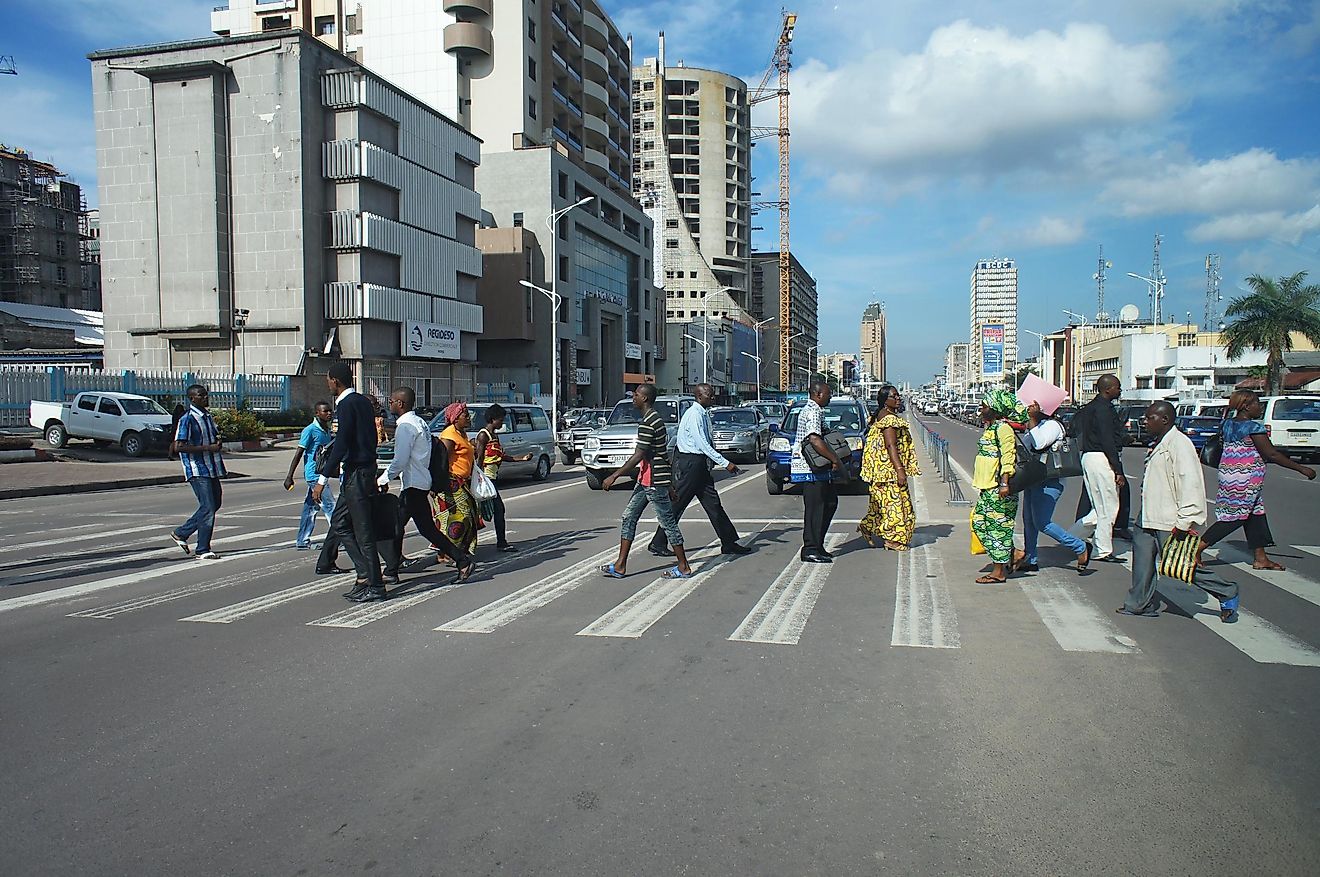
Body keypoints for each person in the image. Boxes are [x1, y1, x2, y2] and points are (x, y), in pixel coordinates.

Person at [1119, 401, 1240, 623]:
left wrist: (1187, 521)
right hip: (1147, 514)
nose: (1144, 421)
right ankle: (1137, 604)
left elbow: (1191, 483)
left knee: (1180, 565)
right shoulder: (1160, 442)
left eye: (1150, 417)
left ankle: (1226, 591)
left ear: (1165, 419)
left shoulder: (1180, 445)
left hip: (1170, 518)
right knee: (1142, 564)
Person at [1198, 389, 1315, 569]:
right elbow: (1272, 454)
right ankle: (1196, 549)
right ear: (1246, 406)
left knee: (1255, 513)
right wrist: (1301, 468)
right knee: (1234, 517)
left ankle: (1261, 558)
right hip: (1246, 479)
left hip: (1229, 475)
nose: (1260, 407)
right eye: (1257, 404)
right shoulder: (1253, 427)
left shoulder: (1228, 424)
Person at [377, 387, 476, 582]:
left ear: (401, 404)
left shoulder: (406, 426)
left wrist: (382, 479)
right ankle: (392, 569)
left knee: (412, 527)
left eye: (392, 401)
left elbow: (401, 460)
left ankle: (461, 561)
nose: (389, 404)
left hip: (414, 484)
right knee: (404, 526)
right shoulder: (419, 422)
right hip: (419, 482)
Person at [599, 383, 693, 579]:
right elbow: (661, 455)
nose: (633, 398)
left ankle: (683, 567)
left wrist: (614, 475)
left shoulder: (649, 422)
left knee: (668, 523)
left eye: (636, 395)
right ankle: (620, 565)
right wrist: (670, 484)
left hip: (653, 482)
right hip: (646, 479)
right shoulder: (653, 419)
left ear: (645, 399)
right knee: (629, 517)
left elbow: (639, 455)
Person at [646, 383, 750, 558]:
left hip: (699, 465)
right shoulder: (694, 414)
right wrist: (725, 462)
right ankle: (658, 542)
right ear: (700, 396)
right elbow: (702, 443)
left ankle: (729, 542)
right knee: (677, 504)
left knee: (713, 504)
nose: (713, 397)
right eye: (709, 395)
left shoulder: (703, 413)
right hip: (691, 464)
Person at [314, 361, 386, 602]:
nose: (328, 384)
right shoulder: (363, 402)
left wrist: (322, 479)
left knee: (363, 532)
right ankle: (364, 573)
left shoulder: (346, 404)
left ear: (335, 380)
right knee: (339, 522)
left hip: (358, 473)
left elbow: (342, 443)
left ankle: (376, 586)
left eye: (328, 380)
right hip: (359, 472)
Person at [1018, 400, 1090, 572]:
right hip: (1033, 478)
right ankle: (1031, 558)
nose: (1030, 409)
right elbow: (1027, 445)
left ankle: (1080, 547)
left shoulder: (1053, 425)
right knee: (1028, 521)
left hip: (1050, 481)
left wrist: (1033, 421)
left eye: (1034, 407)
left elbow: (1039, 444)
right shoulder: (1039, 425)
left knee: (1042, 522)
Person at [970, 389, 1024, 583]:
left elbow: (1008, 457)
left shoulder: (1003, 429)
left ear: (994, 408)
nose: (981, 409)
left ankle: (999, 571)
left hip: (999, 487)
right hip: (988, 486)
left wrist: (1004, 483)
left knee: (997, 527)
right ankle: (1013, 553)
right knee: (979, 522)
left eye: (984, 406)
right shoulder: (992, 428)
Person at [858, 384, 920, 551]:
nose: (898, 398)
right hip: (889, 471)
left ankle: (867, 526)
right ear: (886, 401)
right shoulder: (889, 419)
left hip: (880, 470)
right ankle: (893, 540)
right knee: (897, 506)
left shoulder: (881, 414)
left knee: (880, 505)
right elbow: (891, 445)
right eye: (895, 396)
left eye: (898, 396)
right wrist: (900, 470)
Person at [168, 384, 226, 560]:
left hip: (212, 467)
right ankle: (202, 549)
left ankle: (182, 533)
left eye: (206, 395)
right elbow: (179, 446)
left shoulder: (207, 416)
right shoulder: (187, 419)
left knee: (214, 504)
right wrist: (209, 447)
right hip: (197, 468)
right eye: (201, 396)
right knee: (208, 507)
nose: (205, 398)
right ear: (192, 398)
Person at [1073, 374, 1127, 562]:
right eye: (1117, 387)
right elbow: (1107, 440)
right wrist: (1118, 470)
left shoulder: (1088, 408)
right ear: (1108, 389)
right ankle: (1102, 550)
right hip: (1101, 457)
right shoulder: (1104, 410)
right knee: (1109, 507)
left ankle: (1071, 539)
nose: (1119, 391)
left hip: (1089, 457)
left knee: (1099, 508)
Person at [792, 381, 844, 564]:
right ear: (818, 394)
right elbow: (814, 439)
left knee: (830, 503)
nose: (830, 397)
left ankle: (818, 544)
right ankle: (810, 549)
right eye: (828, 394)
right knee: (816, 509)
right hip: (811, 469)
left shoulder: (816, 410)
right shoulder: (812, 411)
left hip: (819, 469)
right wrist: (835, 459)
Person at [473, 403, 532, 553]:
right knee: (496, 510)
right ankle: (501, 543)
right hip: (486, 480)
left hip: (492, 479)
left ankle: (500, 542)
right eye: (501, 420)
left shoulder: (495, 436)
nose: (502, 423)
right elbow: (479, 459)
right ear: (492, 419)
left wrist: (521, 459)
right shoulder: (483, 435)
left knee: (492, 511)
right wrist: (479, 480)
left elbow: (501, 456)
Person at [283, 401, 336, 550]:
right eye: (325, 411)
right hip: (314, 475)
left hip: (322, 472)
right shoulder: (310, 430)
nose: (329, 413)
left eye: (330, 411)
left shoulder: (326, 430)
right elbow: (299, 453)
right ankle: (341, 537)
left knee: (310, 508)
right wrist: (289, 476)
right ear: (317, 413)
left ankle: (302, 540)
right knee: (330, 506)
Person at [435, 401, 483, 557]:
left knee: (467, 516)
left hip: (463, 481)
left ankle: (451, 551)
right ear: (455, 418)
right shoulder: (449, 434)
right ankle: (450, 552)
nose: (469, 418)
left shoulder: (461, 433)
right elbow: (442, 459)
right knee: (461, 517)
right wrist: (436, 483)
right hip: (451, 482)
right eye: (465, 415)